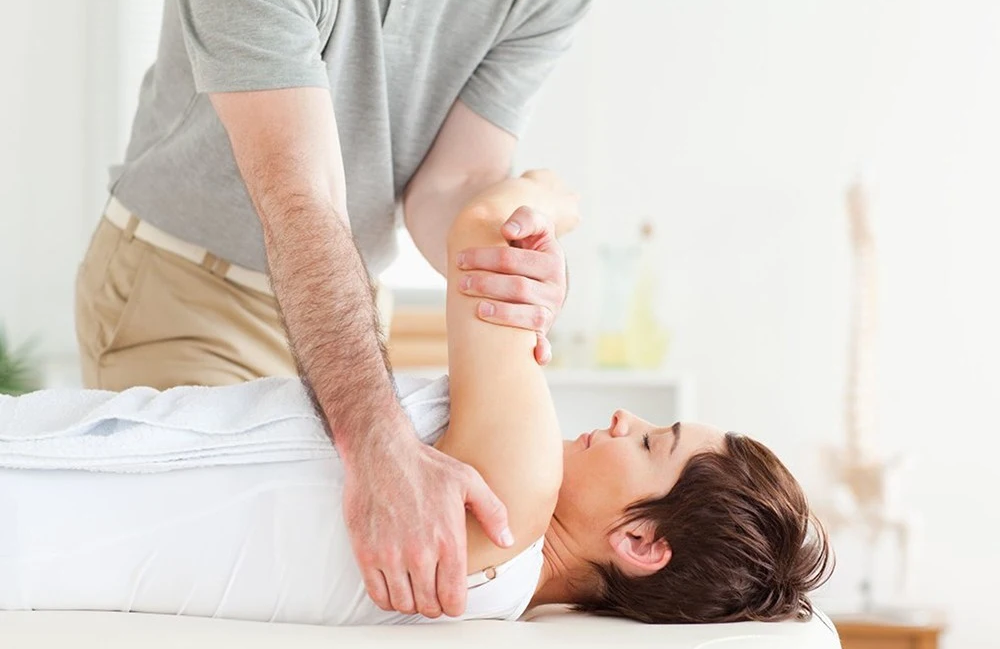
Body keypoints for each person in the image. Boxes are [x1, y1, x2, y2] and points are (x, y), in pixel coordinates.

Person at [3, 171, 832, 624]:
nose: (624, 419)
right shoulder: (489, 600)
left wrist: (559, 204)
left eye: (653, 442)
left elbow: (488, 220)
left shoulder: (516, 493)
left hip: (40, 486)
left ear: (643, 542)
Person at [74, 0, 599, 619]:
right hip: (186, 291)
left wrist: (508, 257)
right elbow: (300, 199)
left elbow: (452, 183)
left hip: (349, 303)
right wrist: (379, 442)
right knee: (203, 595)